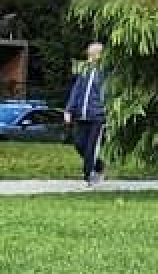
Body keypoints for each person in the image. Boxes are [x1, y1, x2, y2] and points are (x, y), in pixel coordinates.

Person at [64, 41, 109, 186]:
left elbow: (109, 94)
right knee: (79, 144)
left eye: (92, 54)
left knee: (91, 148)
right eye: (88, 54)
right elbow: (76, 91)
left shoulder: (106, 73)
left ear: (100, 55)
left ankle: (88, 177)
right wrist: (69, 110)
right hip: (81, 115)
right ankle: (99, 166)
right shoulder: (85, 70)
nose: (89, 57)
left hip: (98, 116)